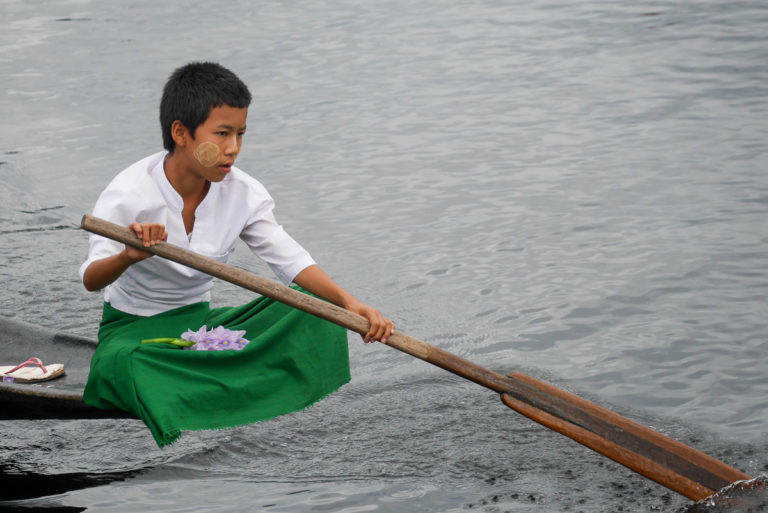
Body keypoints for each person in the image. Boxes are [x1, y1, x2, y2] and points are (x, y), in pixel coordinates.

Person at [80, 62, 394, 447]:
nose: (233, 149)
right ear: (181, 133)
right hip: (133, 332)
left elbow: (288, 259)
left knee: (317, 307)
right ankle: (210, 381)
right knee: (130, 365)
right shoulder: (129, 192)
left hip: (199, 327)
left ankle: (212, 379)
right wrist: (127, 256)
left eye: (240, 134)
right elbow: (91, 279)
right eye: (222, 134)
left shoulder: (243, 191)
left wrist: (350, 305)